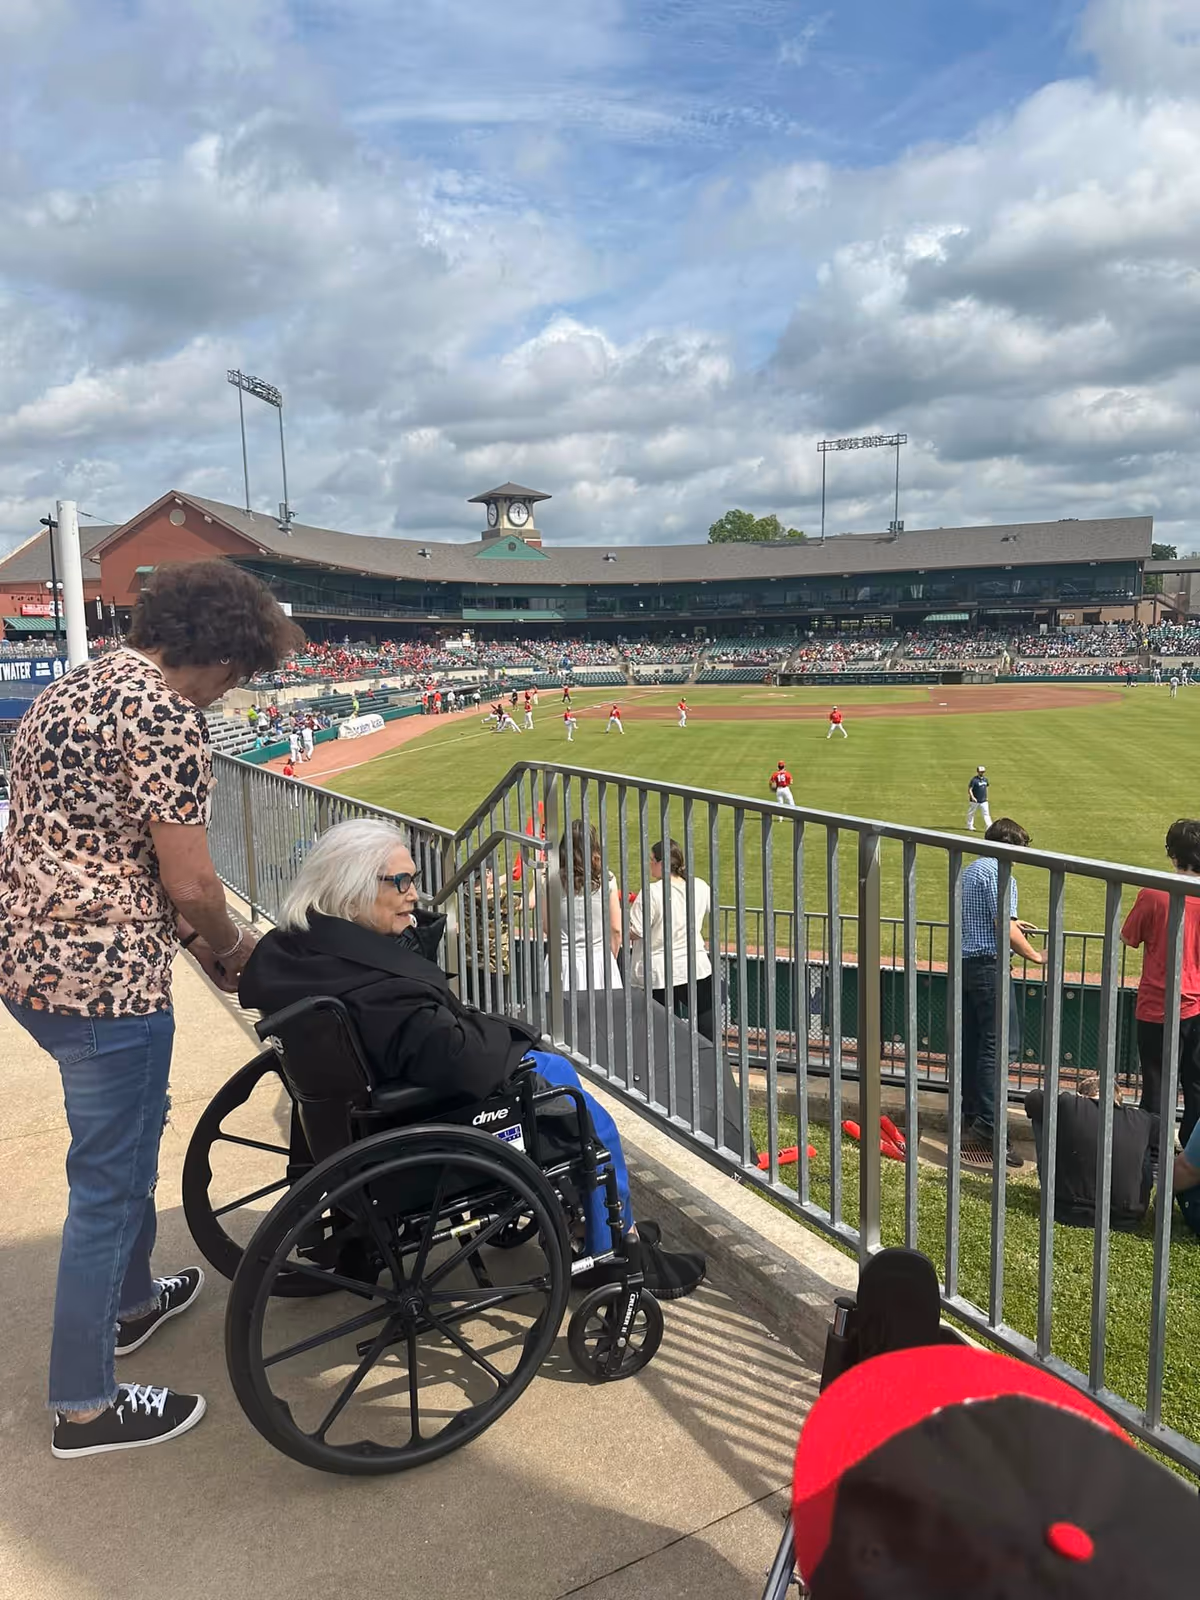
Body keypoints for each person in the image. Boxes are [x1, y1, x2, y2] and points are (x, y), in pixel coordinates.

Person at [0, 559, 301, 1458]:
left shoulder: (74, 686)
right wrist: (234, 949)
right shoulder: (165, 714)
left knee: (130, 1138)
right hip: (105, 980)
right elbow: (194, 882)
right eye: (234, 676)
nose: (225, 696)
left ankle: (129, 1305)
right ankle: (85, 1404)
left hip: (30, 962)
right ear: (215, 651)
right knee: (111, 1183)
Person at [239, 820, 702, 1296]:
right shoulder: (376, 984)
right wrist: (512, 1035)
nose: (413, 895)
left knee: (550, 1071)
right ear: (352, 889)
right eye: (402, 882)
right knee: (575, 1102)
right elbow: (457, 1057)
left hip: (359, 1117)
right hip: (417, 1115)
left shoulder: (302, 948)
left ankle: (598, 1221)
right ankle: (612, 1248)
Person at [960, 817, 1047, 1167]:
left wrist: (1013, 923)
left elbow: (995, 919)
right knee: (1000, 1047)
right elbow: (1001, 927)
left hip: (968, 964)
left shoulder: (972, 869)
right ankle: (991, 1127)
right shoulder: (1001, 871)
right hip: (989, 967)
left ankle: (973, 1117)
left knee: (977, 1044)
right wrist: (1036, 956)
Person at [1120, 818, 1200, 1156]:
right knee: (1195, 1085)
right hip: (1197, 1007)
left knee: (1156, 1085)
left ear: (1172, 853)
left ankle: (1150, 1155)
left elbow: (1128, 937)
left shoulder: (1154, 891)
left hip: (1157, 1005)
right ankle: (1192, 1154)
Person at [1024, 1074, 1156, 1230]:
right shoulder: (1143, 1120)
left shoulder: (1068, 1104)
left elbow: (1032, 1098)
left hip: (1067, 1209)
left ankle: (1057, 1185)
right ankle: (1134, 1197)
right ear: (1118, 1101)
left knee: (1042, 1116)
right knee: (1148, 1141)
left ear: (1081, 1096)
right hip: (1126, 1218)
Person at [629, 839, 715, 1040]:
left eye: (651, 860)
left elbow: (636, 930)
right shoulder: (699, 885)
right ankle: (709, 1059)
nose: (650, 864)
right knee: (704, 1019)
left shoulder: (652, 892)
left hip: (661, 970)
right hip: (695, 964)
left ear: (661, 863)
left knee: (664, 1028)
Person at [541, 820, 623, 991]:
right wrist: (610, 957)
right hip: (599, 961)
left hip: (562, 961)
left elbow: (548, 926)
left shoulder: (551, 880)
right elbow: (616, 929)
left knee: (559, 1015)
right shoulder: (607, 879)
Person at [965, 765, 991, 832]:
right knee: (971, 813)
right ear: (978, 772)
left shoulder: (985, 779)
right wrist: (973, 797)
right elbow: (970, 789)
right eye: (980, 772)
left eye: (983, 772)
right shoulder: (974, 780)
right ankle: (970, 825)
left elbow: (986, 788)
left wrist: (986, 796)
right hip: (975, 801)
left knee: (986, 814)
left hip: (983, 800)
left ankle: (989, 827)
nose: (982, 773)